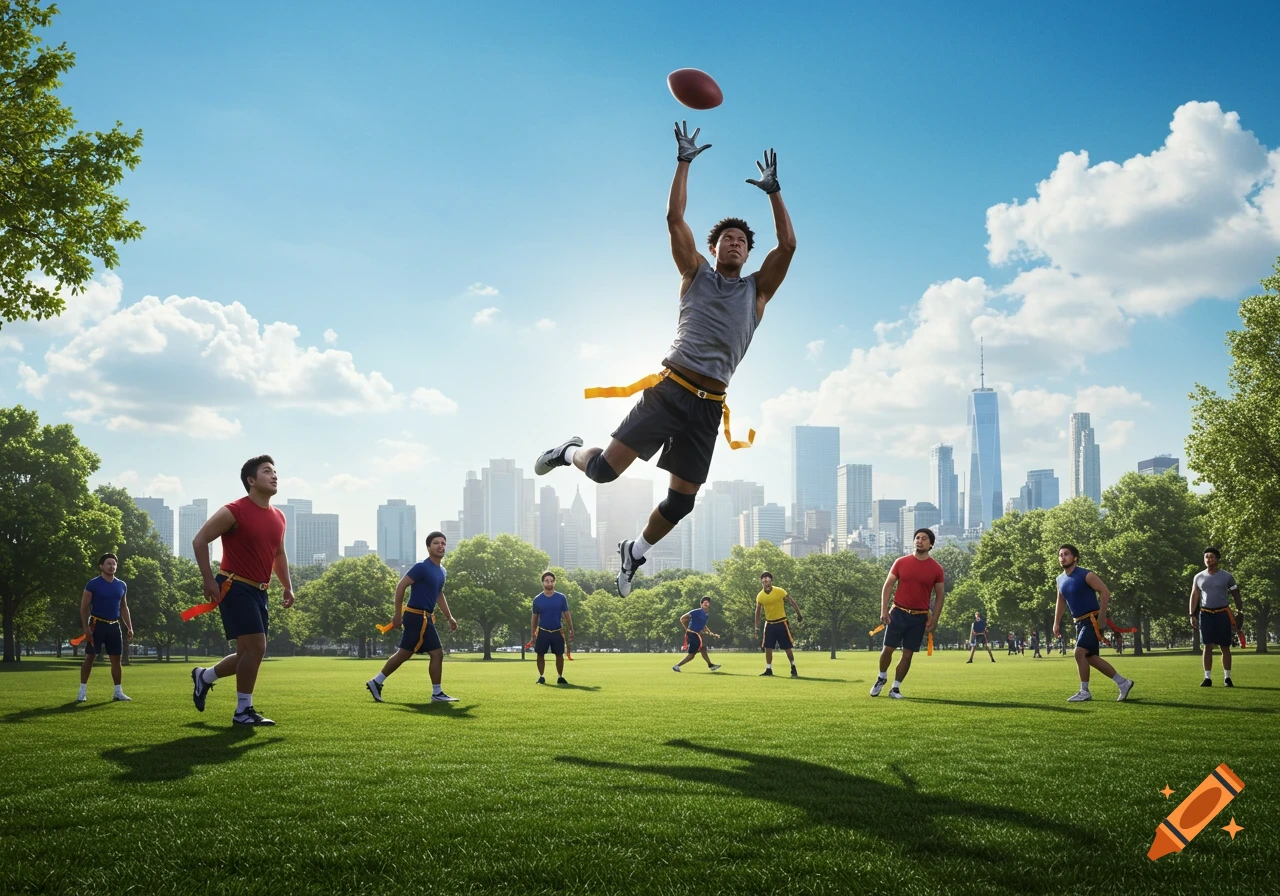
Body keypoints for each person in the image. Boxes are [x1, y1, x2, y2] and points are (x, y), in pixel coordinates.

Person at [533, 123, 797, 599]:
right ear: (713, 249)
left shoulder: (758, 291)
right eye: (726, 239)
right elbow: (675, 219)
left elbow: (790, 247)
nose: (734, 243)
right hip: (669, 390)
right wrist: (684, 161)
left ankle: (634, 551)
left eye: (741, 240)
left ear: (748, 252)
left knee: (682, 503)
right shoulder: (695, 272)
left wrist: (774, 193)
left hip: (709, 405)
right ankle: (567, 451)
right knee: (603, 473)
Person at [189, 456, 294, 725]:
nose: (274, 476)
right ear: (251, 480)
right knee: (257, 648)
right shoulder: (233, 511)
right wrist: (207, 580)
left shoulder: (279, 517)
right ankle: (243, 711)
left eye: (275, 472)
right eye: (267, 471)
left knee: (248, 653)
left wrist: (287, 586)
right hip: (234, 586)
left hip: (261, 591)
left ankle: (205, 676)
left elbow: (278, 554)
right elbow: (200, 540)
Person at [366, 532, 460, 702]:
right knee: (408, 653)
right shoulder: (421, 567)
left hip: (427, 617)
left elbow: (438, 594)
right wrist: (397, 615)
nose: (440, 546)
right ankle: (376, 681)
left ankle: (436, 693)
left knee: (435, 653)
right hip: (415, 616)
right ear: (428, 547)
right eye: (436, 543)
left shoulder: (442, 572)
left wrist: (449, 617)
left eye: (443, 543)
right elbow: (401, 587)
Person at [1052, 545, 1134, 703]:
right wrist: (1056, 622)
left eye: (1066, 554)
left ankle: (1084, 692)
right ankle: (1123, 683)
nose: (1062, 557)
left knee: (1079, 653)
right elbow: (1060, 600)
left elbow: (1105, 592)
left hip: (1092, 619)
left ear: (1075, 557)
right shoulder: (1059, 579)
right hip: (1079, 622)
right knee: (1091, 658)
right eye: (1060, 555)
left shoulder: (1086, 575)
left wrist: (1102, 617)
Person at [871, 529, 946, 699]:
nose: (919, 541)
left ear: (931, 544)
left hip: (919, 618)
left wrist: (934, 619)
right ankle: (881, 677)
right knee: (887, 650)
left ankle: (895, 688)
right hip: (898, 613)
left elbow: (940, 596)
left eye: (924, 538)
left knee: (908, 654)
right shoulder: (901, 562)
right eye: (917, 538)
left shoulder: (936, 569)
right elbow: (888, 585)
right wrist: (883, 609)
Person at [77, 553, 133, 703]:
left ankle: (118, 692)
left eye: (114, 563)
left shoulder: (121, 585)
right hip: (97, 625)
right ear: (101, 566)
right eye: (108, 563)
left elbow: (123, 607)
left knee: (116, 660)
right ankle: (82, 691)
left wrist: (129, 627)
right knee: (90, 657)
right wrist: (86, 628)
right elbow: (84, 607)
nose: (112, 566)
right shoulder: (93, 584)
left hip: (114, 626)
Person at [1190, 546, 1245, 687]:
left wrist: (1240, 612)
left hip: (1222, 613)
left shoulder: (1227, 576)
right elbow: (1194, 595)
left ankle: (1227, 677)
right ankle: (1207, 677)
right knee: (1207, 646)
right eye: (1206, 557)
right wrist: (1192, 614)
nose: (1209, 559)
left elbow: (1236, 594)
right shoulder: (1198, 577)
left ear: (1217, 559)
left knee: (1224, 646)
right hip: (1206, 614)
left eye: (1212, 556)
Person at [754, 571, 803, 677]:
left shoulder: (779, 591)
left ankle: (793, 667)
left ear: (771, 581)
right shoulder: (760, 596)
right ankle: (768, 669)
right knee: (768, 647)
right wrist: (756, 627)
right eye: (764, 581)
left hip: (781, 622)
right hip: (769, 623)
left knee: (787, 647)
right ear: (761, 582)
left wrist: (798, 613)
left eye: (767, 580)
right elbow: (758, 611)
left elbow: (791, 601)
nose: (766, 583)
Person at [529, 571, 574, 685]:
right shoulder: (537, 599)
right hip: (543, 631)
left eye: (551, 581)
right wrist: (533, 633)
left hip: (557, 631)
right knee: (540, 654)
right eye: (546, 581)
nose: (549, 583)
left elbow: (566, 613)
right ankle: (541, 676)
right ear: (543, 583)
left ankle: (560, 676)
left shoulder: (561, 598)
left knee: (559, 654)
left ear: (554, 583)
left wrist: (570, 629)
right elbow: (534, 617)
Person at [674, 596, 722, 672]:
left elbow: (703, 626)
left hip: (697, 635)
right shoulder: (697, 611)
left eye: (708, 602)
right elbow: (682, 618)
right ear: (701, 604)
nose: (707, 604)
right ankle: (676, 666)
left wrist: (712, 634)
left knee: (703, 649)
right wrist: (687, 629)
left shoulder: (705, 615)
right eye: (705, 602)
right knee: (691, 655)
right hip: (693, 634)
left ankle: (710, 665)